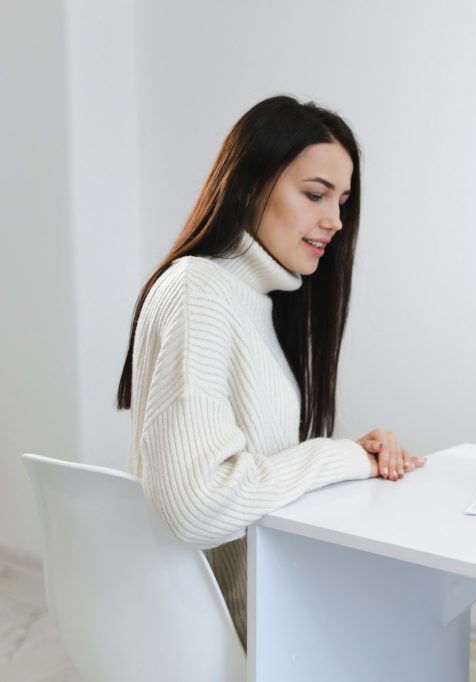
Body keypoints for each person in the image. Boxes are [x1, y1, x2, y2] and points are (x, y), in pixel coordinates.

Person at [117, 95, 424, 648]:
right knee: (421, 619)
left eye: (343, 201)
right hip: (236, 635)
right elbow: (198, 505)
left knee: (418, 610)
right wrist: (338, 456)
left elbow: (247, 464)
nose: (334, 221)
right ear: (250, 184)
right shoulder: (200, 290)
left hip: (256, 616)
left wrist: (352, 455)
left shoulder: (252, 298)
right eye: (314, 194)